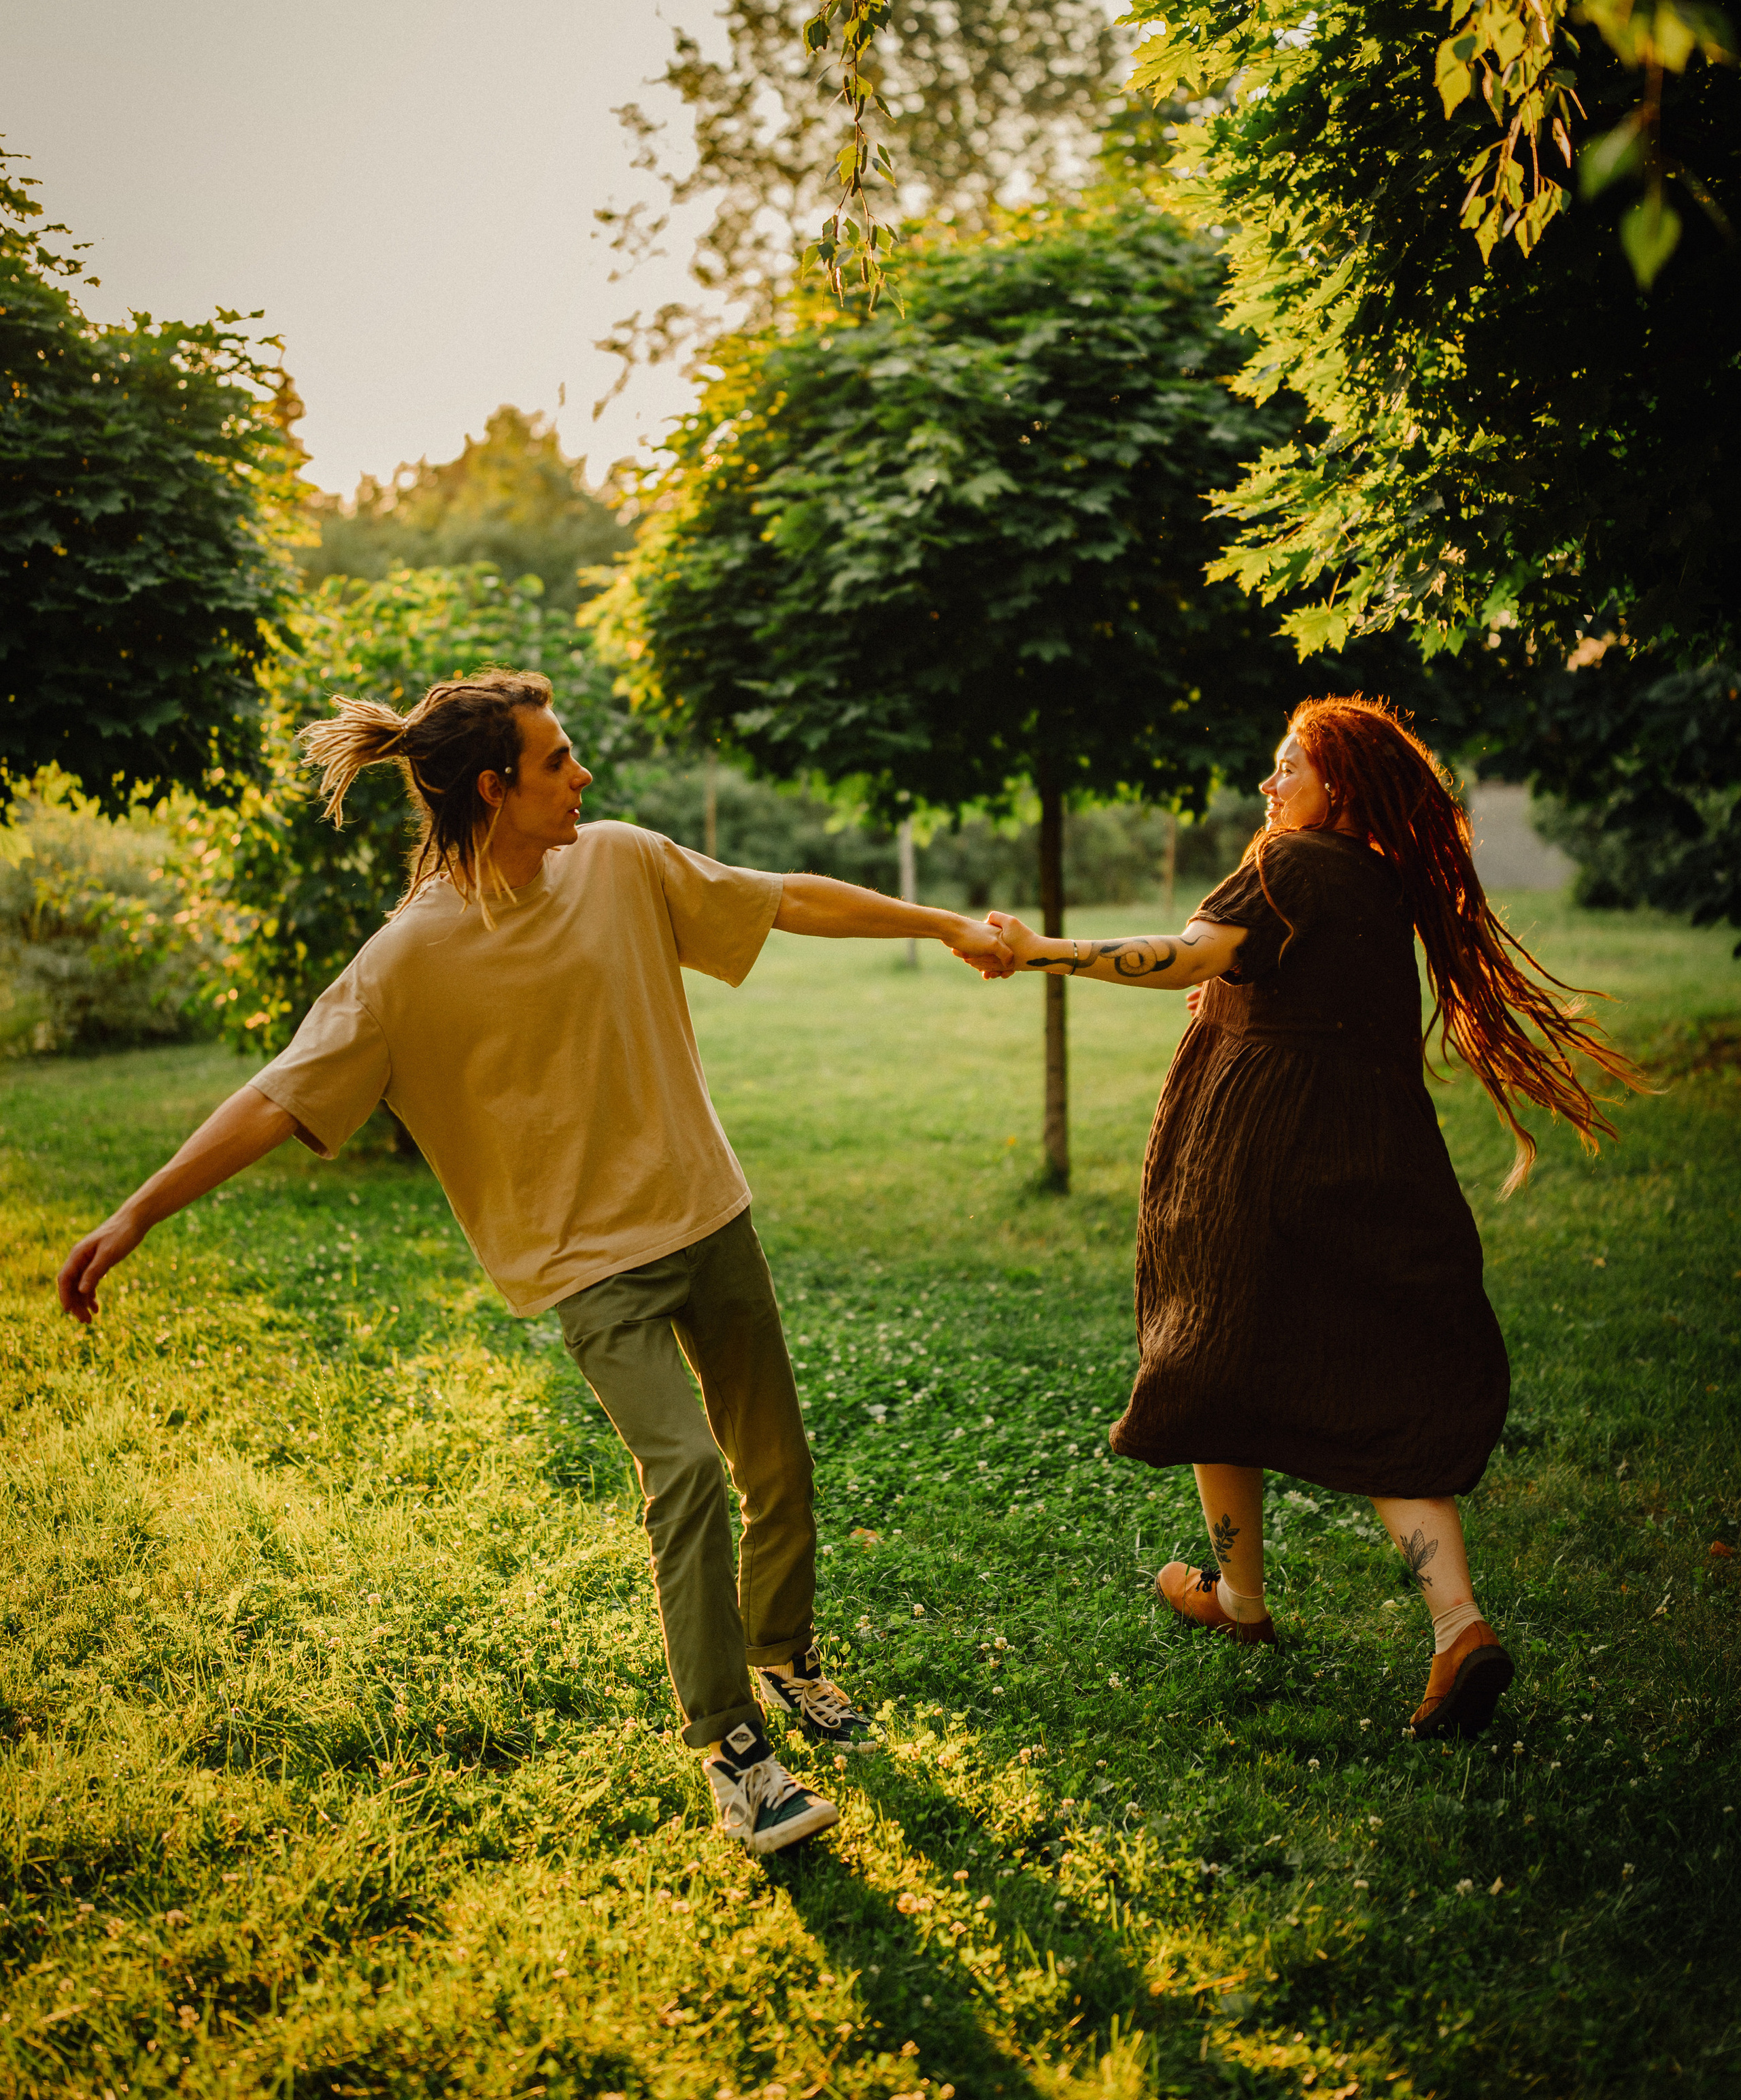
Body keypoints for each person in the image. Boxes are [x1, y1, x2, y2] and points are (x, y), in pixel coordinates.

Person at [56, 668, 1007, 1850]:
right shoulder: (404, 963)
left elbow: (783, 900)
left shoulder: (620, 861)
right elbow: (274, 1098)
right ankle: (733, 1750)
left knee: (778, 1464)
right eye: (560, 762)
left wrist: (945, 923)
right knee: (690, 1471)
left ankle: (782, 1654)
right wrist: (138, 1214)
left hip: (706, 1215)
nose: (584, 778)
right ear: (497, 790)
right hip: (585, 1265)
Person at [975, 695, 1641, 1739]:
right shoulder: (1382, 882)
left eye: (1288, 767)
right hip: (1379, 1154)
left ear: (1341, 784)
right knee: (1382, 1387)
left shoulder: (1289, 864)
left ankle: (1242, 1602)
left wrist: (1039, 949)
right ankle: (1457, 1627)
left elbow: (1188, 961)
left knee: (1206, 1354)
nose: (1269, 786)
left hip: (1258, 1157)